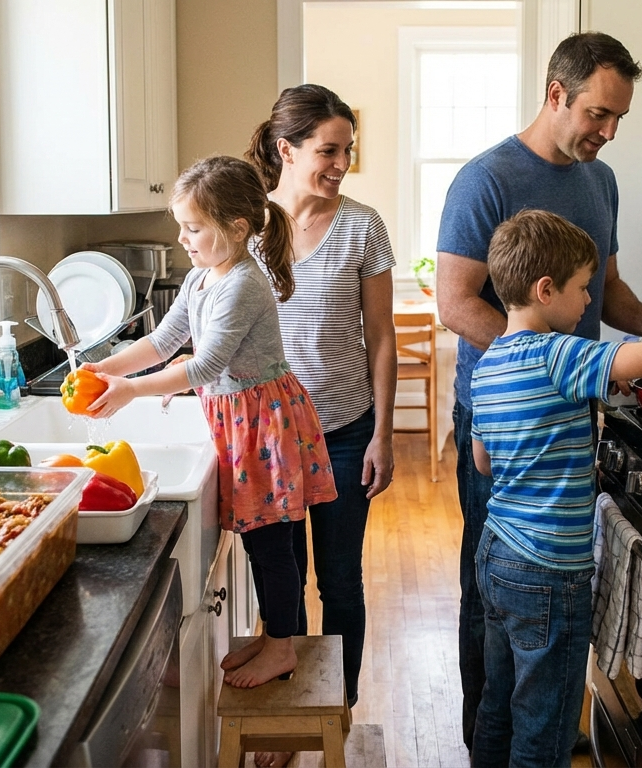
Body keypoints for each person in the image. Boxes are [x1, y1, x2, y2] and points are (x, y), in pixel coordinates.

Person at [434, 30, 642, 747]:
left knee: (538, 587)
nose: (608, 132)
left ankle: (534, 730)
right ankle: (491, 741)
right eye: (598, 113)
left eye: (619, 118)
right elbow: (454, 301)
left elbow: (612, 293)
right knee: (493, 591)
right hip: (504, 421)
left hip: (574, 415)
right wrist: (545, 368)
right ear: (556, 93)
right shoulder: (486, 180)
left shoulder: (601, 183)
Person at [469, 209, 642, 766]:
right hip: (551, 570)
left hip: (498, 554)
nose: (587, 303)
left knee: (499, 705)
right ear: (545, 289)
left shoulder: (489, 362)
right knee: (546, 724)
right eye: (582, 289)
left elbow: (483, 461)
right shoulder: (558, 354)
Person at [84, 155, 337, 688]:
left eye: (193, 228)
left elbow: (203, 366)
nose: (182, 238)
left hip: (263, 425)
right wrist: (105, 368)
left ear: (236, 229)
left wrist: (129, 391)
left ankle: (281, 647)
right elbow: (163, 342)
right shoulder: (202, 277)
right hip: (240, 422)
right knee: (260, 544)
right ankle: (276, 638)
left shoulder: (242, 283)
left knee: (273, 546)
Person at [245, 84, 397, 714]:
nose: (340, 164)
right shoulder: (245, 226)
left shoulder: (363, 226)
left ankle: (335, 704)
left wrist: (384, 435)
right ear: (287, 149)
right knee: (283, 587)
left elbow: (382, 337)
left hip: (343, 432)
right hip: (269, 440)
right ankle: (288, 709)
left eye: (348, 151)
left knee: (339, 582)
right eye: (328, 151)